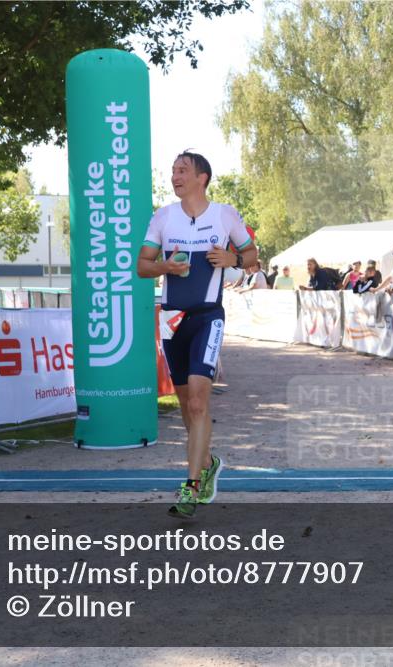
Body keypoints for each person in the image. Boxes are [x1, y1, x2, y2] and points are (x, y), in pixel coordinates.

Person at [136, 150, 257, 519]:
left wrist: (233, 260)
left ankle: (191, 486)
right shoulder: (163, 217)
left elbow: (252, 255)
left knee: (199, 403)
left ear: (201, 177)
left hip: (208, 317)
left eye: (182, 170)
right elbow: (142, 266)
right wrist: (165, 266)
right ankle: (207, 463)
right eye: (173, 171)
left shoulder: (224, 214)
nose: (175, 176)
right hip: (172, 320)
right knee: (187, 405)